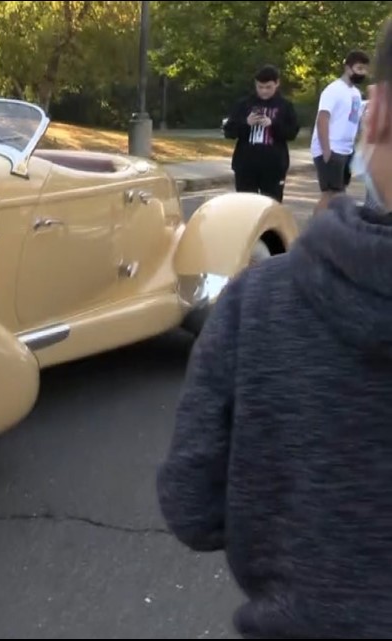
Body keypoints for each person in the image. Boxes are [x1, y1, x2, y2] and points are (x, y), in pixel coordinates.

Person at [157, 18, 392, 639]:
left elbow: (192, 504)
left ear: (375, 117)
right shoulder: (251, 110)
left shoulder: (258, 302)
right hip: (248, 169)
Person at [222, 64, 301, 202]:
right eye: (260, 87)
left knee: (271, 205)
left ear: (277, 84)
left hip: (274, 166)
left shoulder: (285, 106)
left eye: (268, 87)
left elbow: (292, 133)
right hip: (246, 165)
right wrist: (246, 123)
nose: (264, 91)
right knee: (245, 205)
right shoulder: (244, 104)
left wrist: (273, 124)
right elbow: (229, 131)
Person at [311, 49, 370, 214]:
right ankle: (314, 231)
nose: (362, 73)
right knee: (331, 195)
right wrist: (326, 151)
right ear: (348, 67)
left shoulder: (356, 94)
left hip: (346, 150)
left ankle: (329, 230)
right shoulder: (334, 90)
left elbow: (354, 121)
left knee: (339, 194)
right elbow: (323, 119)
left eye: (364, 69)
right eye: (359, 68)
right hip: (332, 148)